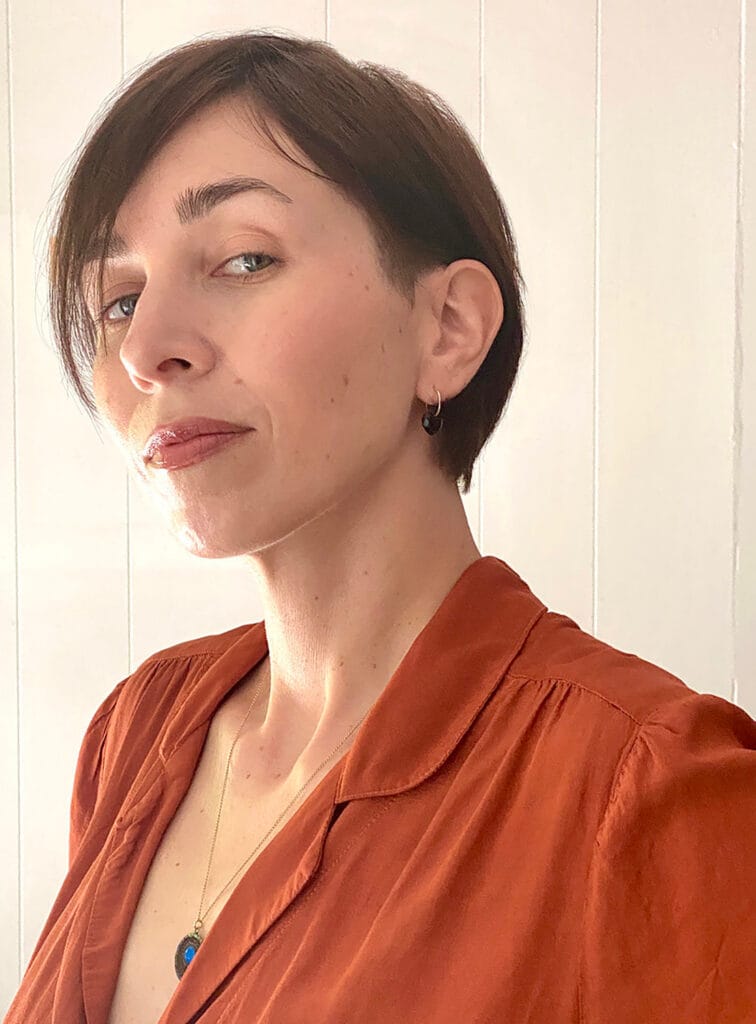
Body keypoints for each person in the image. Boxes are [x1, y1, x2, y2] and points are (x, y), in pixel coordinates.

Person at [6, 30, 755, 1024]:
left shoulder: (648, 789)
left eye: (240, 258)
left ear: (447, 329)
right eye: (118, 297)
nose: (146, 349)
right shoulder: (137, 734)